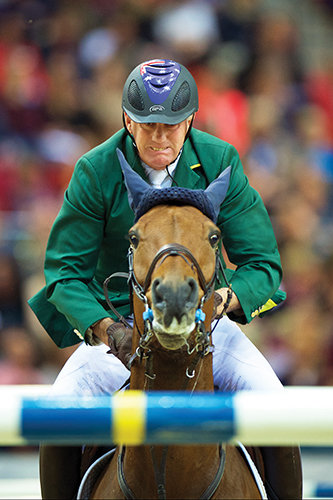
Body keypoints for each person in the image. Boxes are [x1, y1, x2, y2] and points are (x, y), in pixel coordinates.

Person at [29, 59, 302, 499]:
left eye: (171, 125)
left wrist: (222, 302)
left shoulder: (219, 161)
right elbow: (64, 275)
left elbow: (263, 263)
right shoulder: (94, 170)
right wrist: (109, 330)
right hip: (118, 326)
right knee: (61, 414)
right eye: (148, 125)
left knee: (278, 410)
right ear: (127, 120)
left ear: (190, 120)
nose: (159, 137)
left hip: (207, 324)